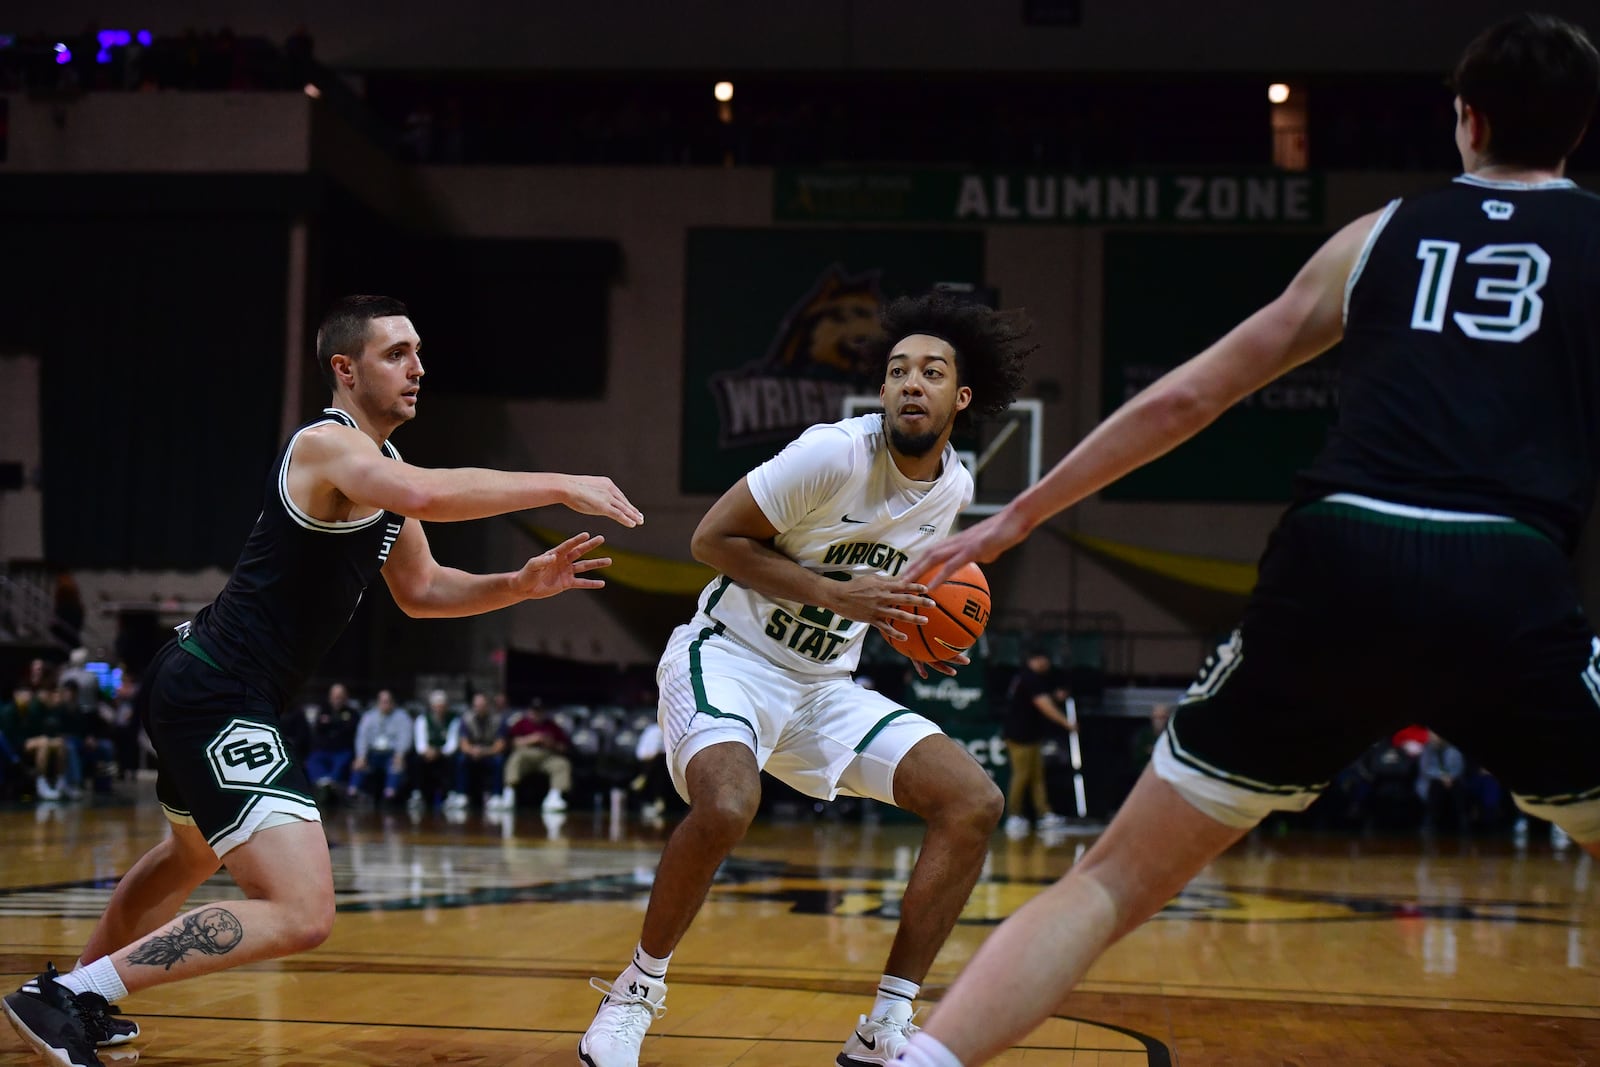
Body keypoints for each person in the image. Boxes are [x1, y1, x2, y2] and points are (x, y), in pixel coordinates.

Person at [897, 16, 1600, 1066]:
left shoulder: (1376, 237)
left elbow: (1189, 395)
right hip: (1506, 567)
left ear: (1467, 119)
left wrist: (1012, 516)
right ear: (1578, 131)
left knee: (1107, 881)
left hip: (1337, 556)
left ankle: (923, 1060)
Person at [1, 294, 642, 1067]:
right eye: (396, 352)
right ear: (345, 367)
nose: (418, 367)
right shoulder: (326, 447)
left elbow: (423, 590)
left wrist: (521, 582)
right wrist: (560, 482)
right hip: (216, 690)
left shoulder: (382, 469)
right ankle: (68, 997)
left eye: (418, 351)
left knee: (189, 855)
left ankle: (75, 993)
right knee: (303, 911)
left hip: (205, 685)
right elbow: (428, 496)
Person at [578, 292, 1031, 1067]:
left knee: (972, 800)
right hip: (729, 656)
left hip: (825, 685)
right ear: (881, 392)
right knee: (727, 803)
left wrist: (908, 632)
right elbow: (710, 539)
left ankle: (884, 1025)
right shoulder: (834, 454)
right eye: (896, 372)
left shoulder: (953, 490)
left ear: (961, 397)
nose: (909, 383)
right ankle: (633, 993)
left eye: (929, 371)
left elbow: (885, 586)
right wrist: (834, 594)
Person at [1000, 647, 1075, 837]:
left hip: (1032, 735)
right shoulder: (1029, 678)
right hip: (1019, 736)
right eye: (1046, 660)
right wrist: (1066, 723)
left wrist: (1056, 697)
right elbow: (1044, 705)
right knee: (1022, 775)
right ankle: (1014, 816)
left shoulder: (1032, 678)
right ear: (1037, 659)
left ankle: (1044, 814)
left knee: (1037, 776)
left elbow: (1045, 699)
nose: (1048, 665)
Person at [499, 699, 573, 814]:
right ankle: (509, 793)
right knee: (515, 759)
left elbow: (564, 747)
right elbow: (512, 743)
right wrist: (531, 739)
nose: (537, 714)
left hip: (547, 756)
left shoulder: (552, 726)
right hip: (526, 755)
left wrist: (551, 743)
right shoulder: (521, 723)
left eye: (540, 711)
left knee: (562, 764)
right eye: (534, 711)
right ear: (529, 711)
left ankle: (555, 796)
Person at [347, 689, 412, 804]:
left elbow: (405, 737)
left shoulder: (402, 717)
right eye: (382, 702)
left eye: (387, 702)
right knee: (359, 765)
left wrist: (400, 754)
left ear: (393, 703)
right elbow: (362, 737)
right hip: (372, 753)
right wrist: (361, 756)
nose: (385, 704)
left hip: (392, 753)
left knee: (396, 766)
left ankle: (389, 795)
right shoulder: (369, 717)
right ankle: (353, 792)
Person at [446, 692, 506, 810]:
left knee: (499, 760)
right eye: (477, 706)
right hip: (472, 753)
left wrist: (483, 752)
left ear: (488, 706)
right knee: (461, 759)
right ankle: (461, 794)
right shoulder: (466, 718)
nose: (479, 708)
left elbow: (500, 746)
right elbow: (463, 744)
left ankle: (496, 796)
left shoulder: (498, 719)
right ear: (473, 706)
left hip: (490, 753)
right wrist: (473, 751)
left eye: (482, 705)